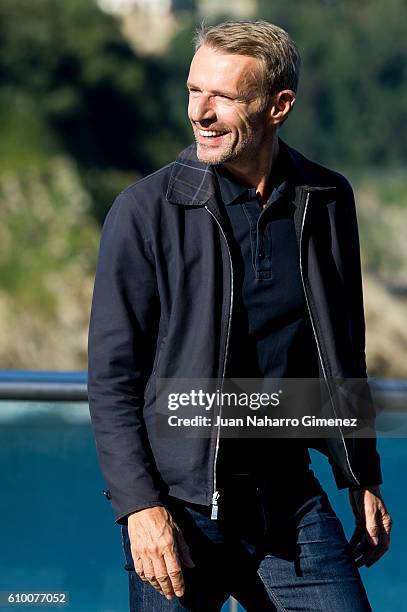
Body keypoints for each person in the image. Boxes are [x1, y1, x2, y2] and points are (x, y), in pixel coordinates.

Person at [87, 19, 392, 611]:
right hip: (178, 510)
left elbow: (339, 352)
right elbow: (112, 378)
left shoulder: (328, 200)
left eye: (223, 96)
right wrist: (139, 508)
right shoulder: (145, 210)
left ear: (278, 105)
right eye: (193, 90)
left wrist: (360, 474)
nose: (200, 112)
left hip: (291, 502)